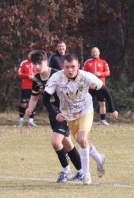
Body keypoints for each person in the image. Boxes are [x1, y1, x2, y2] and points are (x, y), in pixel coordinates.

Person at [44, 54, 110, 185]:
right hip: (68, 114)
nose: (70, 70)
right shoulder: (57, 77)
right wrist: (55, 113)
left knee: (82, 139)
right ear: (63, 66)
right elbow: (45, 98)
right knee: (82, 141)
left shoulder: (85, 76)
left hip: (85, 110)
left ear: (78, 66)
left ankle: (85, 174)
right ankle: (99, 158)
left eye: (73, 67)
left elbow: (104, 89)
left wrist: (112, 109)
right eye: (67, 67)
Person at [24, 50, 85, 182]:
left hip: (66, 114)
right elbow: (34, 97)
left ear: (46, 62)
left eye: (40, 63)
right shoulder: (36, 79)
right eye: (34, 64)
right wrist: (30, 108)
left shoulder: (58, 74)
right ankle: (82, 171)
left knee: (56, 142)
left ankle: (66, 171)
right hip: (53, 115)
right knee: (67, 144)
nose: (37, 66)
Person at [83, 46, 113, 125]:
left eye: (96, 52)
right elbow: (83, 73)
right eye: (93, 52)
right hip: (90, 86)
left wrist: (100, 74)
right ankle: (88, 120)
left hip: (100, 86)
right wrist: (91, 75)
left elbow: (108, 72)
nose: (95, 53)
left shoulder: (103, 62)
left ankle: (103, 120)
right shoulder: (88, 62)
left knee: (102, 103)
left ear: (99, 53)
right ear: (91, 53)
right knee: (89, 103)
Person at [17, 55, 39, 127]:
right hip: (26, 86)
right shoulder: (24, 63)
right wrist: (28, 76)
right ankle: (21, 120)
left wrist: (35, 78)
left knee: (33, 103)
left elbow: (40, 73)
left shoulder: (37, 63)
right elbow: (19, 73)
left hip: (35, 86)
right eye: (30, 54)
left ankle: (31, 121)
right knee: (24, 104)